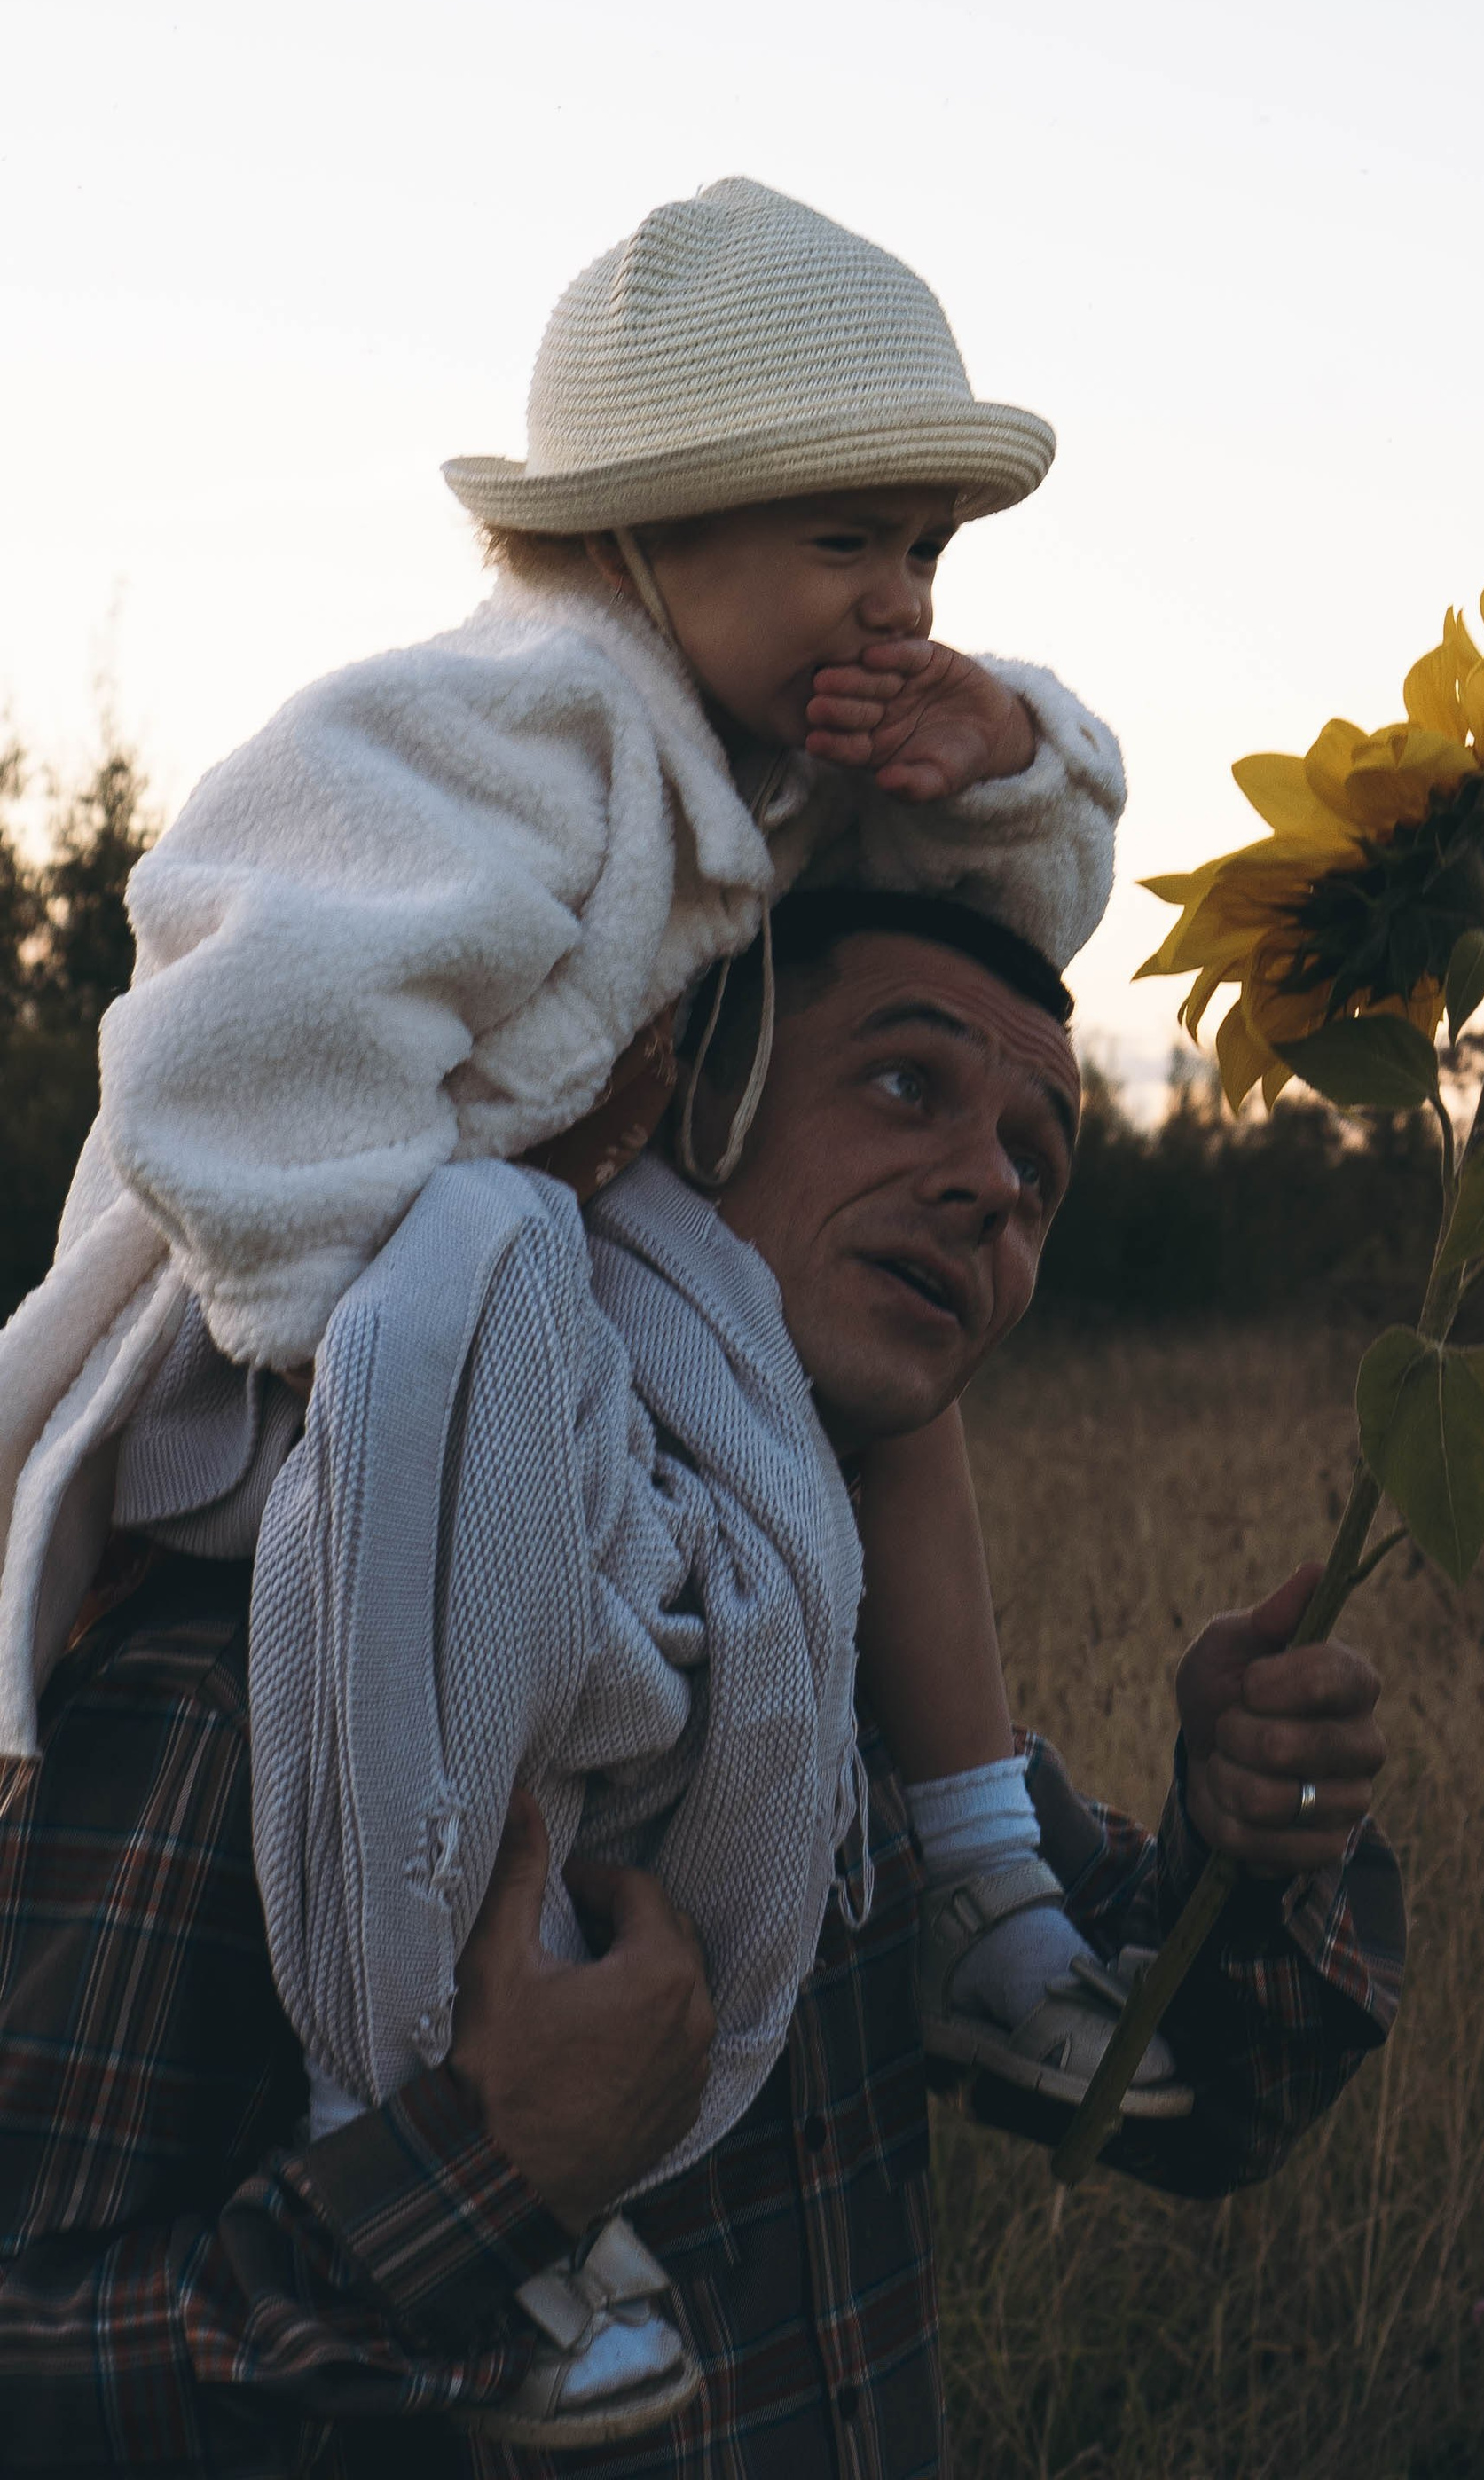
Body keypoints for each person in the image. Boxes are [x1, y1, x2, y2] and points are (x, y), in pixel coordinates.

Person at [0, 177, 1133, 2435]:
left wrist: (1004, 754)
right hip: (302, 1349)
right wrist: (417, 1332)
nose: (900, 602)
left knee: (839, 1433)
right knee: (483, 1378)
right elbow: (229, 1051)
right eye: (848, 541)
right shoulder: (487, 729)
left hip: (549, 1306)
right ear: (654, 529)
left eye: (930, 552)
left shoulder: (752, 765)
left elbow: (1008, 902)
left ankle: (973, 1883)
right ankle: (414, 2097)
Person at [0, 891, 1405, 2476]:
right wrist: (487, 2176)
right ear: (684, 1108)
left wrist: (1254, 1839)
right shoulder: (263, 1668)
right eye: (905, 1086)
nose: (992, 1188)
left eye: (1043, 1167)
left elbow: (1206, 2100)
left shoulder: (855, 1672)